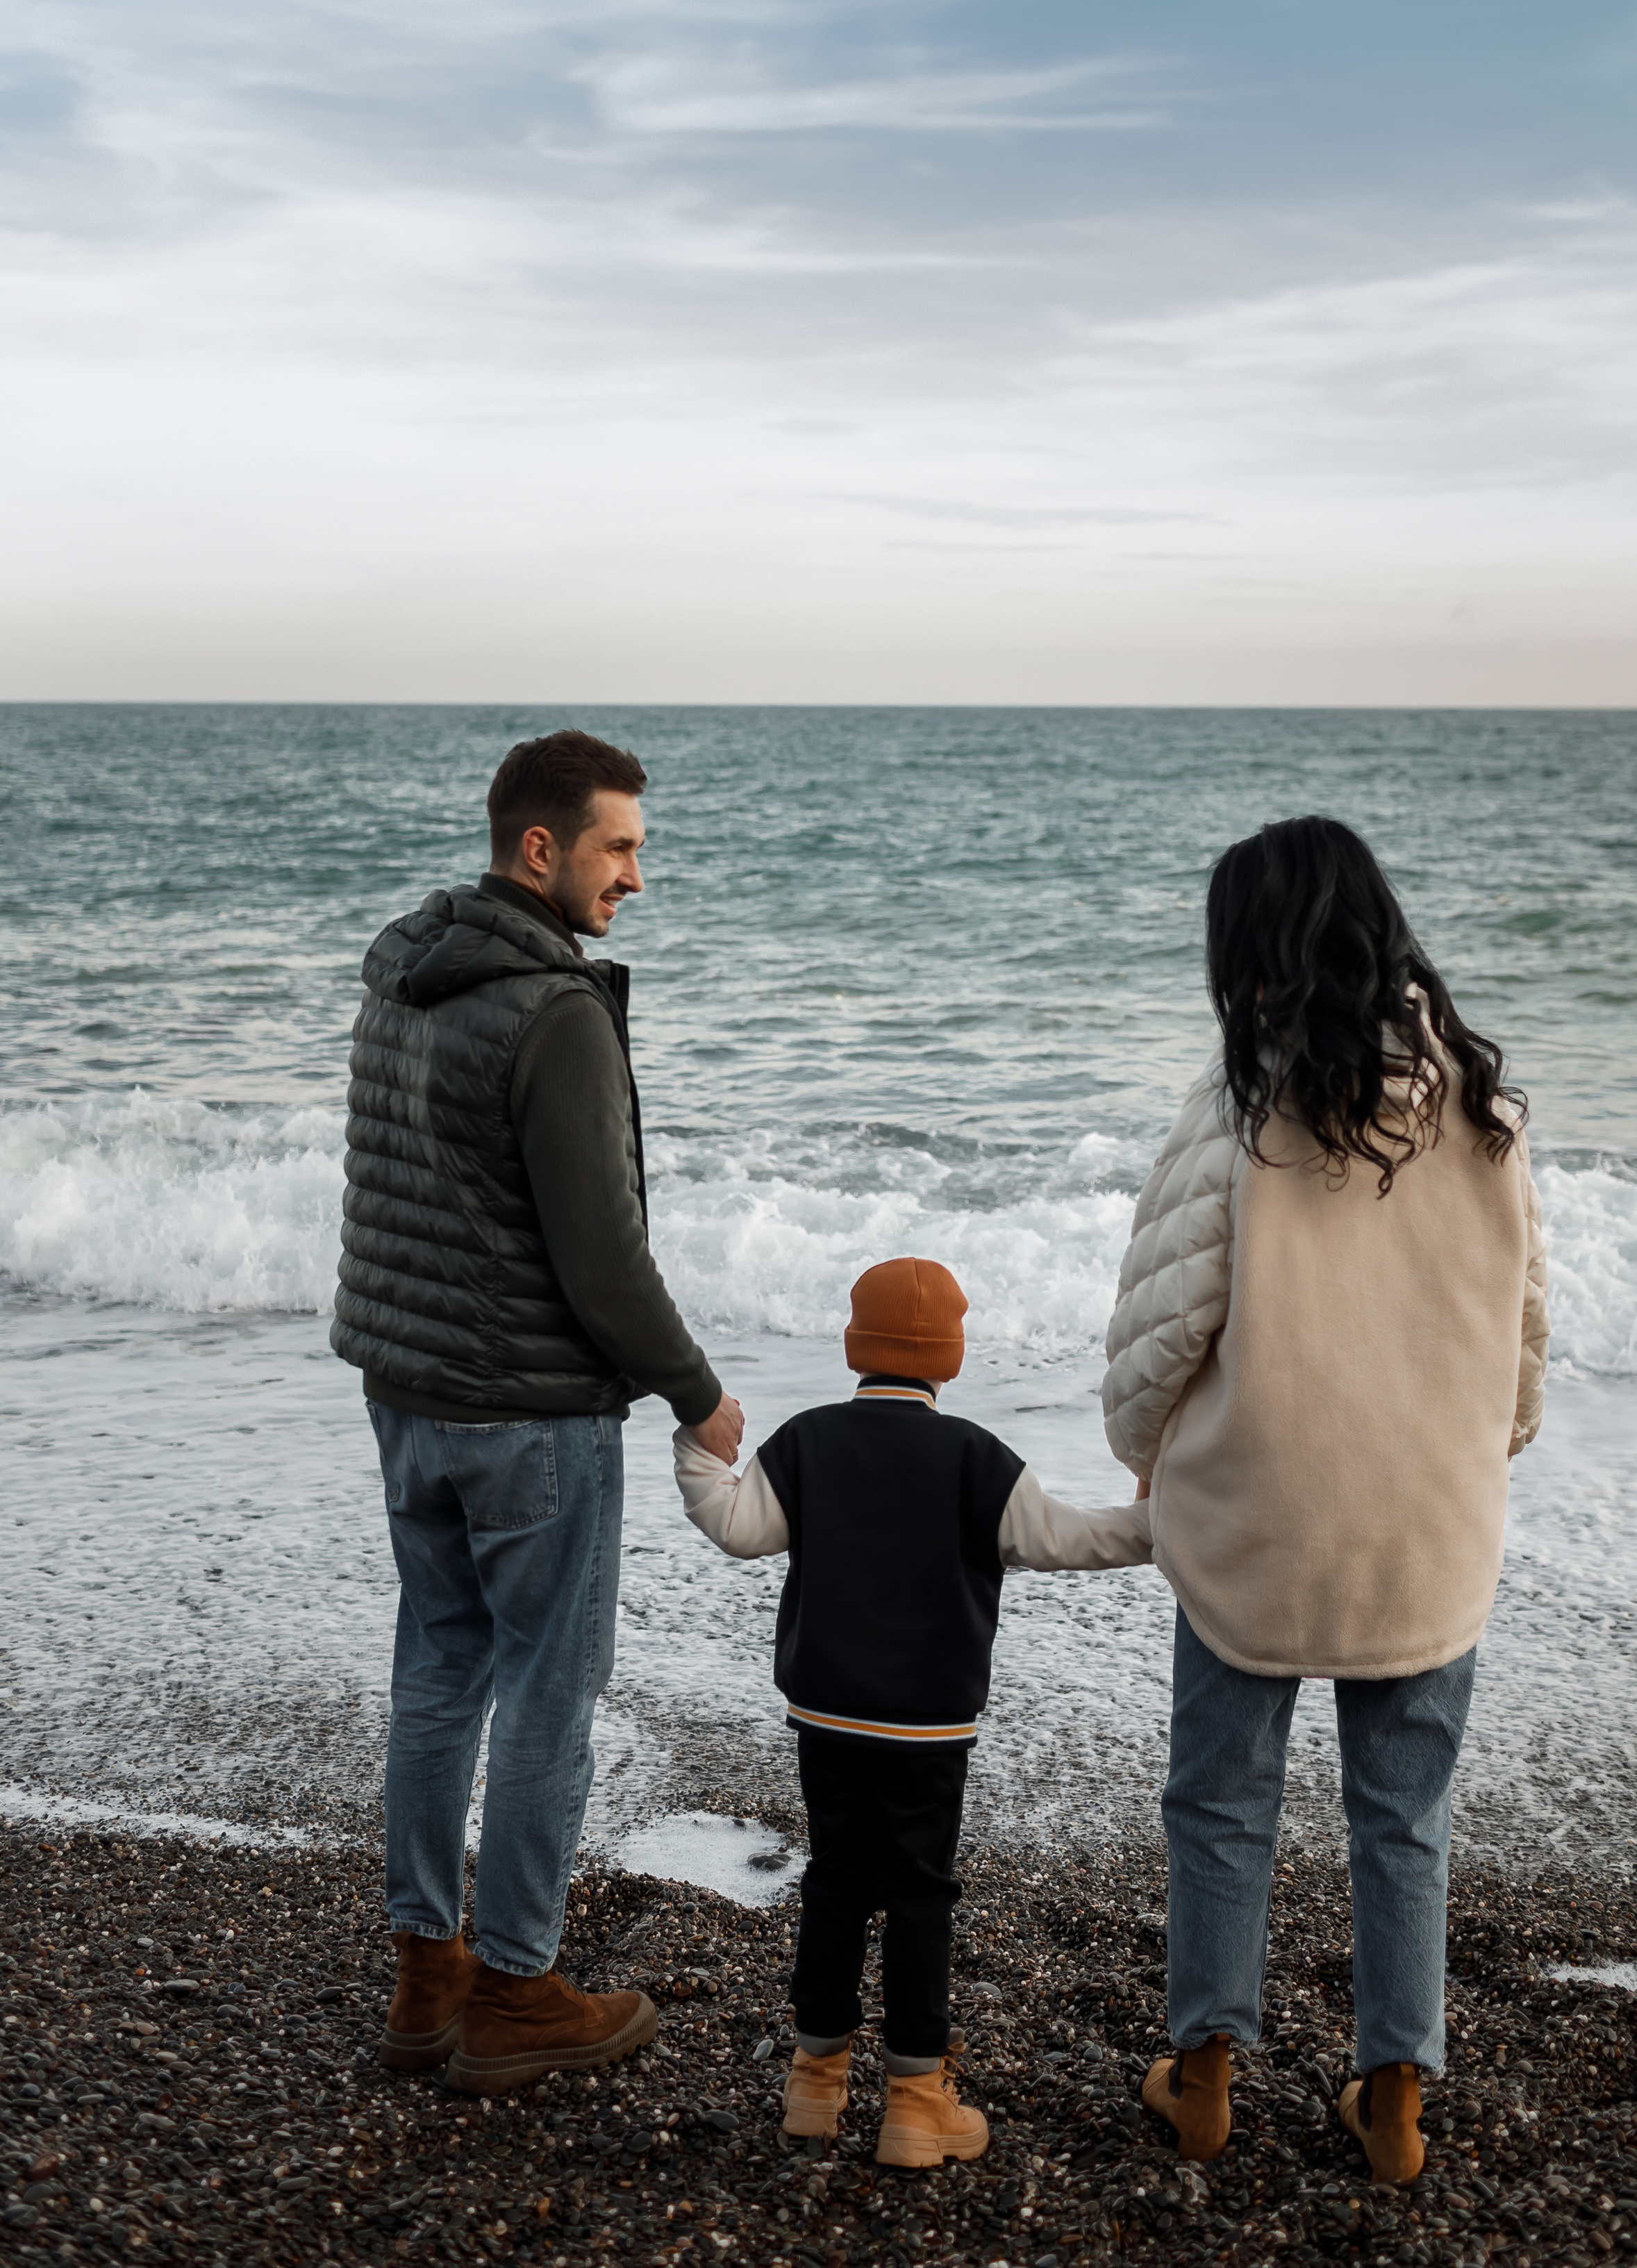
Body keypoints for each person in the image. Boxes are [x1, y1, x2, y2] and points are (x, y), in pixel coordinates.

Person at [1102, 817, 1549, 2186]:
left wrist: (1141, 1455)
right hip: (1425, 1527)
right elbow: (1520, 1330)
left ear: (1246, 952)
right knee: (1401, 1818)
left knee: (1220, 1807)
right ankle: (1394, 2099)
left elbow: (1159, 1328)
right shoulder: (1482, 1113)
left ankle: (1203, 2075)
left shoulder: (1235, 1110)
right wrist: (1486, 1448)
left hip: (1257, 1522)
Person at [331, 727, 745, 2096]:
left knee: (437, 1676)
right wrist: (697, 1390)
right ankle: (513, 1985)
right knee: (550, 1698)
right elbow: (602, 1259)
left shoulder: (402, 973)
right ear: (539, 850)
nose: (635, 875)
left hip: (410, 1398)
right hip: (529, 1417)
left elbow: (408, 1192)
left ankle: (420, 1978)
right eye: (618, 847)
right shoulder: (552, 1014)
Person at [676, 1255, 1153, 2168]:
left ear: (857, 1346)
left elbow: (738, 1530)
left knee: (836, 1884)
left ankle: (814, 2085)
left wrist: (698, 1450)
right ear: (952, 1358)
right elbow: (1065, 1541)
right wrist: (1156, 1520)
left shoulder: (809, 1441)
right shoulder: (978, 1458)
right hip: (929, 1726)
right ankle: (914, 2101)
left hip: (827, 1716)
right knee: (920, 1896)